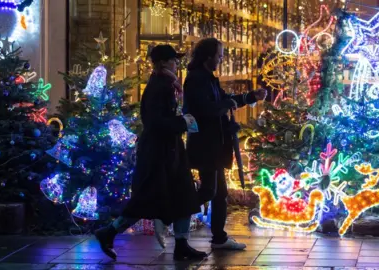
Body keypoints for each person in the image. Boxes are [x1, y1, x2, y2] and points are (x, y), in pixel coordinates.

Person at [95, 45, 207, 261]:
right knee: (147, 199)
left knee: (183, 195)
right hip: (159, 153)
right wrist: (182, 122)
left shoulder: (166, 84)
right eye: (174, 60)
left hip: (169, 150)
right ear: (164, 62)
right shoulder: (160, 86)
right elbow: (155, 122)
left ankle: (182, 245)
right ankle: (109, 232)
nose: (177, 64)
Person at [183, 38, 267, 250]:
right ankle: (175, 212)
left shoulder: (209, 79)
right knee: (209, 191)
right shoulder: (195, 80)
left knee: (220, 193)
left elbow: (223, 99)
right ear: (208, 56)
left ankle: (219, 238)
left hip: (216, 144)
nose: (221, 59)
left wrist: (249, 97)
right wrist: (227, 104)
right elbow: (206, 109)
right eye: (219, 55)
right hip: (206, 145)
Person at [257, 37, 276, 102]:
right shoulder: (262, 55)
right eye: (263, 47)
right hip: (265, 82)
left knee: (270, 99)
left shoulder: (271, 55)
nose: (264, 49)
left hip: (271, 82)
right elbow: (259, 67)